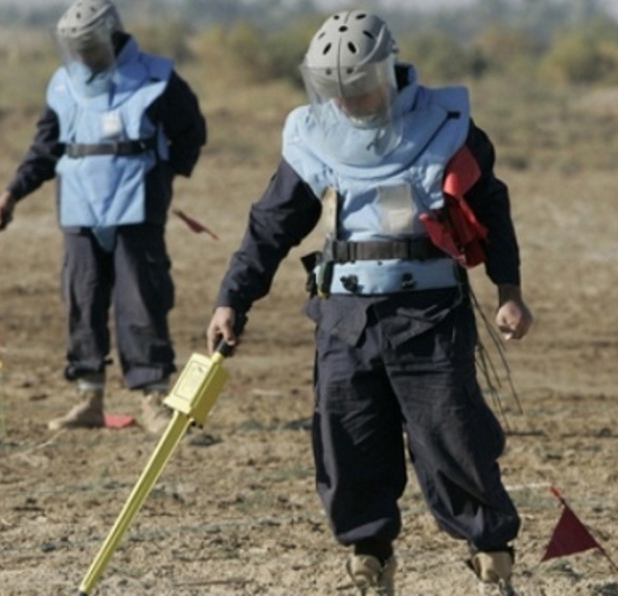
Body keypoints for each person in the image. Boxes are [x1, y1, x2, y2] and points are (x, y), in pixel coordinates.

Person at [205, 10, 532, 595]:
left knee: (452, 436)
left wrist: (508, 291)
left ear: (386, 70)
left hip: (430, 315)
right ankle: (370, 559)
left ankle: (492, 558)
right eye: (334, 90)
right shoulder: (312, 135)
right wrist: (234, 297)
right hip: (344, 318)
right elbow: (271, 225)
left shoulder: (447, 125)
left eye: (357, 88)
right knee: (348, 438)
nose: (347, 101)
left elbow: (491, 209)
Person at [0, 0, 206, 433]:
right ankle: (89, 398)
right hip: (78, 208)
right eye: (76, 48)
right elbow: (46, 148)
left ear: (111, 36)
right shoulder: (63, 85)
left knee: (141, 300)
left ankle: (152, 398)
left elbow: (191, 132)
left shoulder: (158, 78)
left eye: (89, 46)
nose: (83, 55)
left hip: (137, 205)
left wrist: (163, 178)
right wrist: (12, 192)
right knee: (82, 299)